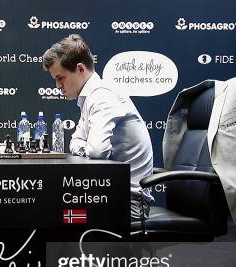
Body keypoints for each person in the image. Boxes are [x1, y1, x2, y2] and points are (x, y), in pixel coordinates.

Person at [42, 34, 153, 221]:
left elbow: (97, 150)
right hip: (107, 193)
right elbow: (75, 142)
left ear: (79, 68)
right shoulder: (89, 97)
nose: (57, 86)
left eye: (60, 78)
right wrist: (86, 147)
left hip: (129, 203)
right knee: (53, 211)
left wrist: (86, 148)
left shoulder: (102, 96)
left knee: (61, 218)